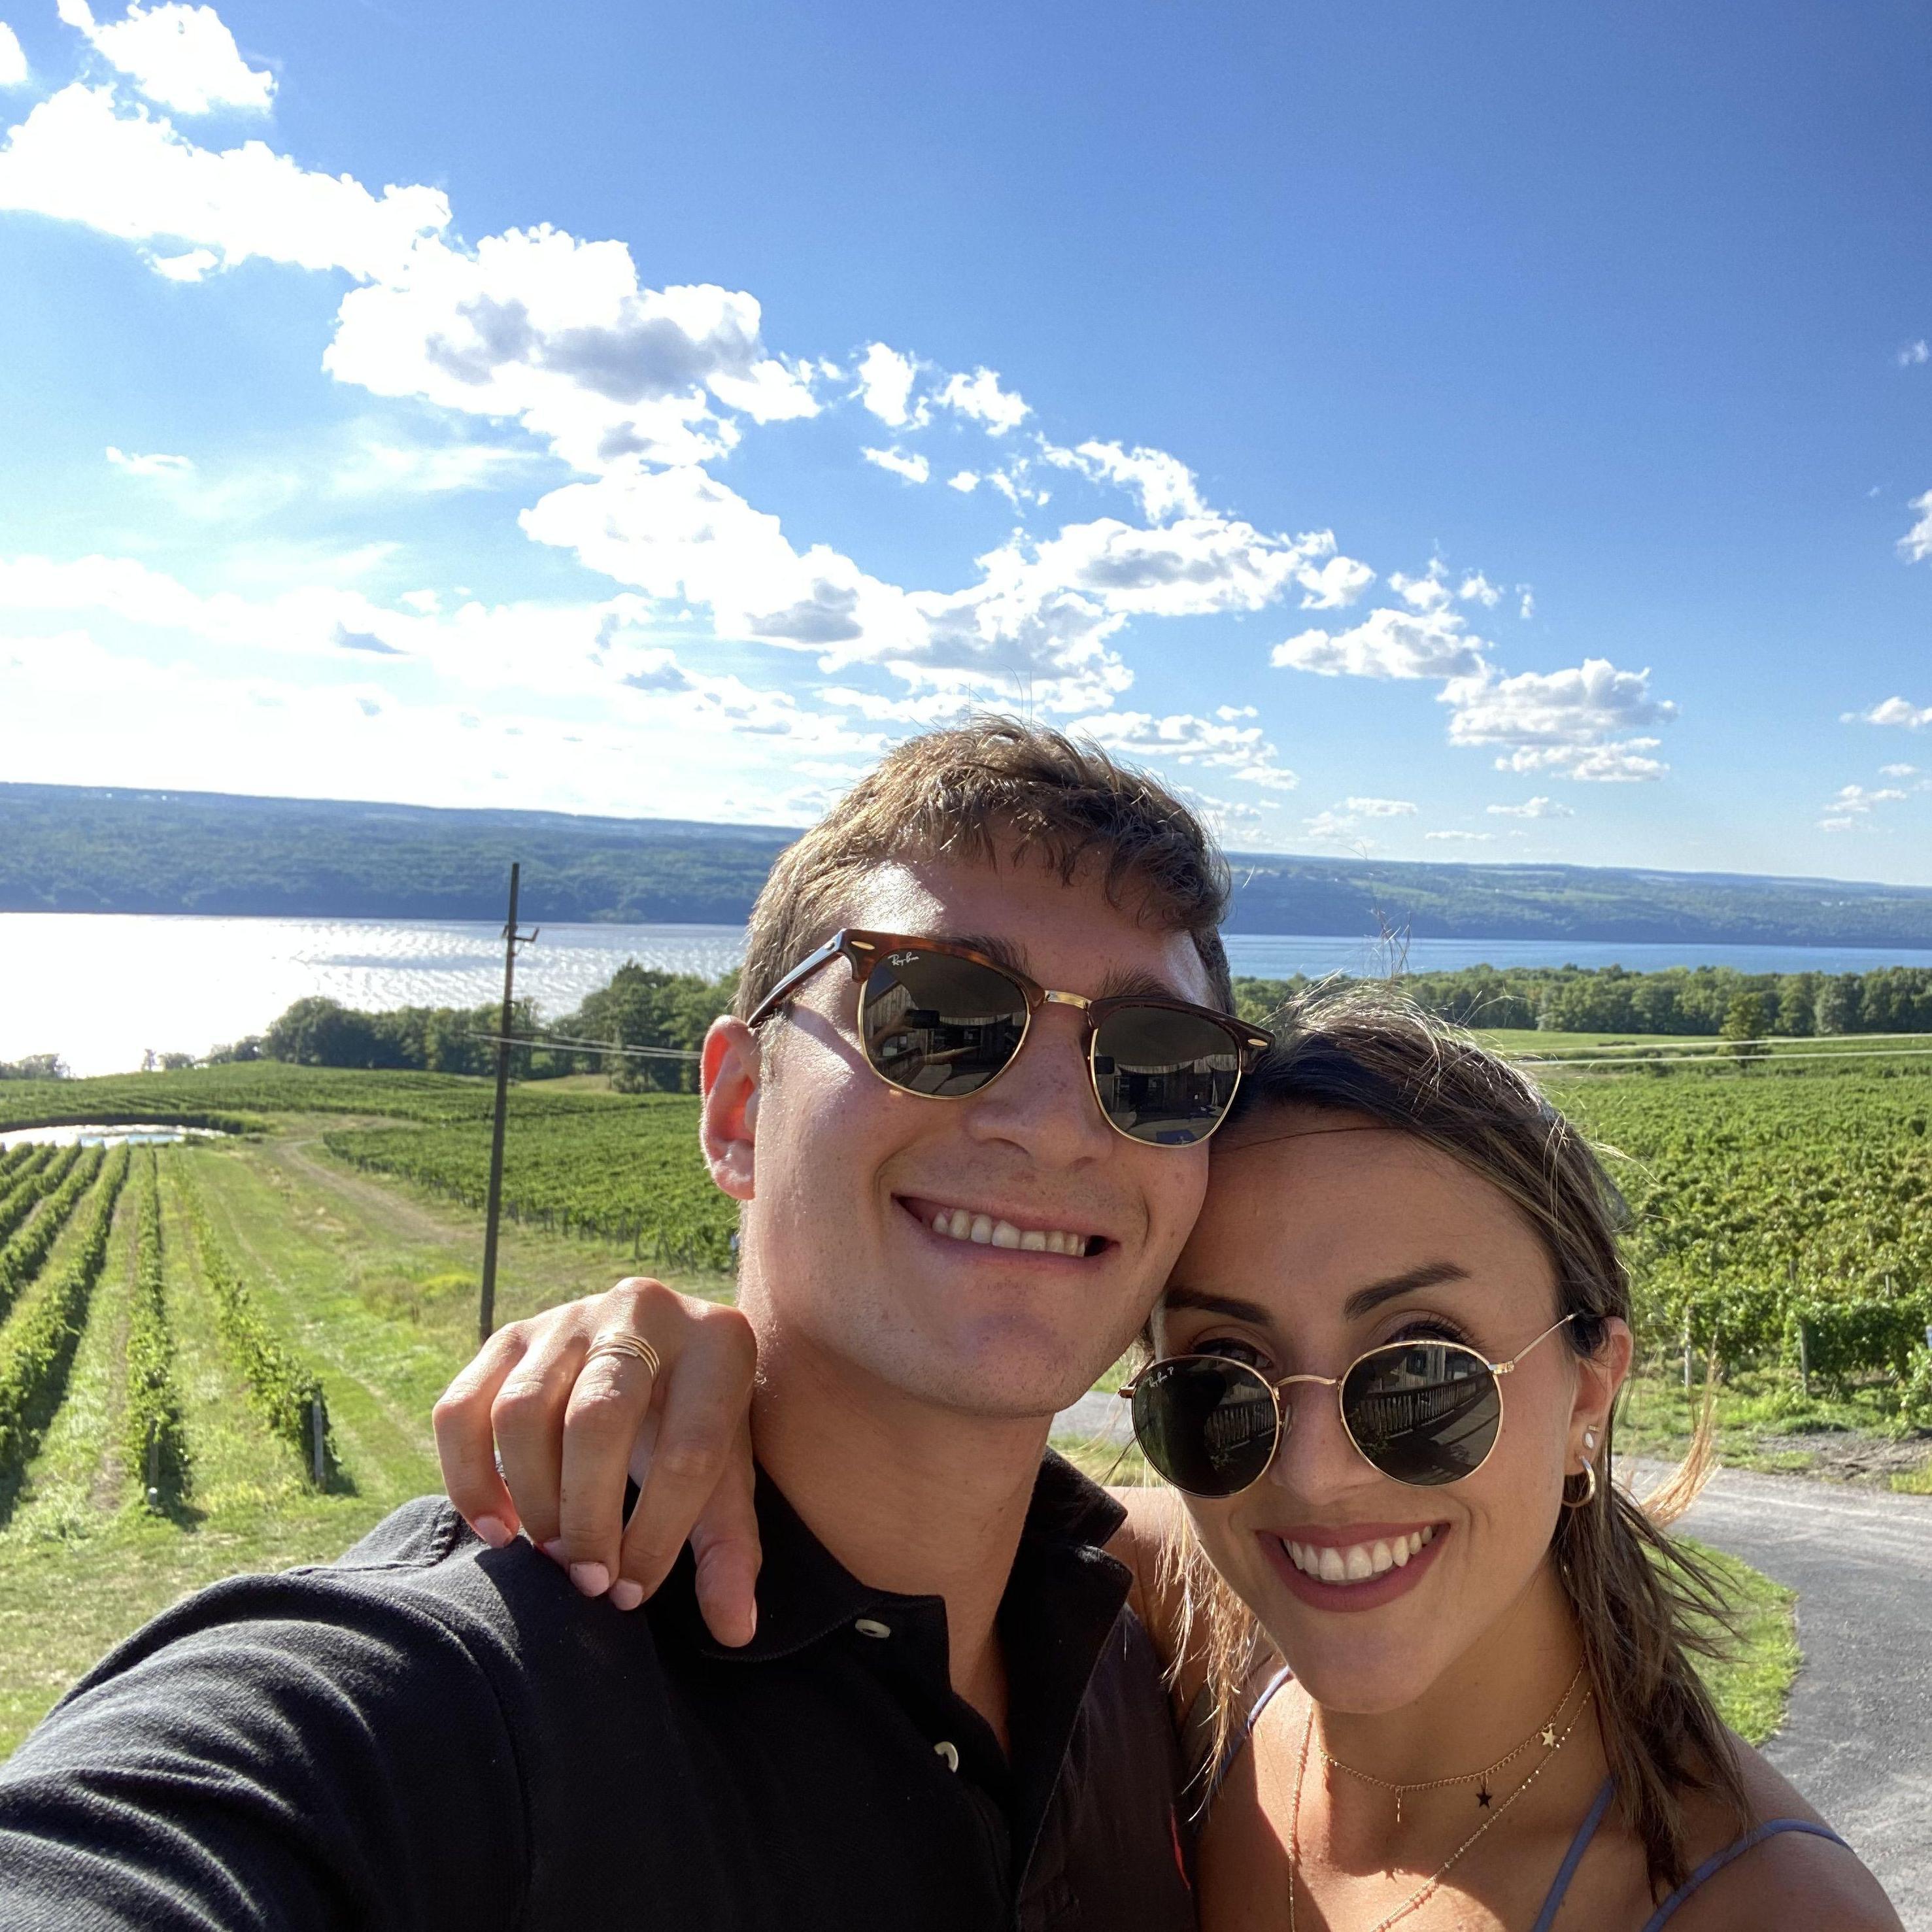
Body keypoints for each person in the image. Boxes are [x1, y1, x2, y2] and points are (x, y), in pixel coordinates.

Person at [0, 718, 1271, 1930]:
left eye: (1154, 1063)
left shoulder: (1153, 1653)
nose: (1052, 1124)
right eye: (938, 1016)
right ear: (735, 1108)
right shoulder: (465, 1692)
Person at [441, 996, 1903, 1931]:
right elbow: (924, 1491)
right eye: (1220, 1384)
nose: (1313, 1474)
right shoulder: (1197, 1626)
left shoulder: (1760, 1910)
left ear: (1589, 1383)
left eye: (1422, 1375)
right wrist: (686, 1376)